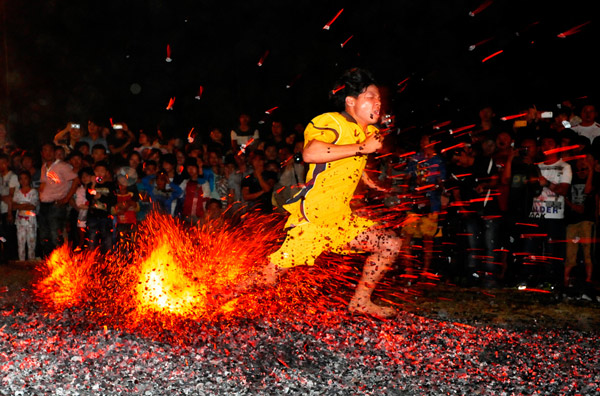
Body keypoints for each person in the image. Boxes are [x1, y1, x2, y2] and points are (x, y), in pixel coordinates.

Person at [230, 68, 402, 319]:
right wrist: (362, 148)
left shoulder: (369, 132)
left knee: (390, 244)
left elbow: (346, 160)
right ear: (350, 101)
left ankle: (361, 301)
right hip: (314, 217)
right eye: (370, 97)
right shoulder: (330, 121)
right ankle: (215, 296)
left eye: (379, 98)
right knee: (268, 278)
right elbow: (311, 154)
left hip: (340, 219)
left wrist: (366, 177)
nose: (378, 102)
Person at [524, 132, 572, 289]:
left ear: (557, 146)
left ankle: (552, 281)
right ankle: (530, 279)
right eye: (544, 143)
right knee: (532, 248)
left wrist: (546, 183)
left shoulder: (565, 167)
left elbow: (564, 191)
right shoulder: (537, 167)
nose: (546, 146)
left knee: (552, 250)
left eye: (550, 143)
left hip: (555, 216)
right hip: (536, 214)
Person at [563, 155, 597, 299]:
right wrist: (572, 206)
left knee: (588, 252)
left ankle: (588, 281)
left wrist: (590, 172)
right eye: (580, 167)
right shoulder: (572, 177)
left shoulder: (594, 178)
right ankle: (565, 281)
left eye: (584, 167)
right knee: (570, 253)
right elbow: (565, 195)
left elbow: (588, 190)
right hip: (572, 221)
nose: (581, 169)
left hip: (587, 221)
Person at [38, 142, 79, 257]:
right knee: (44, 234)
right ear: (42, 153)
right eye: (45, 150)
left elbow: (76, 180)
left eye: (50, 150)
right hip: (44, 204)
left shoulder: (62, 166)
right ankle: (49, 260)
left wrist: (66, 198)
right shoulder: (44, 167)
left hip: (56, 204)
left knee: (55, 233)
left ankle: (60, 261)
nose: (48, 153)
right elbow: (43, 184)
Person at [85, 161, 116, 253]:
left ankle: (108, 258)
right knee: (92, 238)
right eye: (97, 171)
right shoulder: (91, 185)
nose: (99, 173)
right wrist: (93, 184)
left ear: (106, 172)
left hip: (106, 216)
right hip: (93, 216)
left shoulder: (110, 185)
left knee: (107, 238)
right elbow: (89, 196)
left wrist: (101, 197)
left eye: (102, 171)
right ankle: (91, 258)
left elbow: (113, 199)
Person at [12, 171, 39, 261]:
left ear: (29, 179)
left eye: (25, 178)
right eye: (21, 179)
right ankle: (22, 261)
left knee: (31, 242)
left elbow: (32, 206)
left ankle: (31, 261)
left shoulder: (34, 192)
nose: (23, 181)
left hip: (31, 221)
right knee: (21, 242)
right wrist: (25, 205)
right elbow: (14, 206)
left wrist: (21, 206)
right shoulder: (17, 192)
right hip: (20, 222)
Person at [0, 154, 19, 261]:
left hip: (10, 209)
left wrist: (10, 212)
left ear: (7, 163)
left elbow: (10, 196)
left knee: (10, 233)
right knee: (3, 234)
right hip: (2, 209)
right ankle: (6, 255)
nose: (1, 166)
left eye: (3, 163)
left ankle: (12, 256)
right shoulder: (0, 177)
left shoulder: (13, 177)